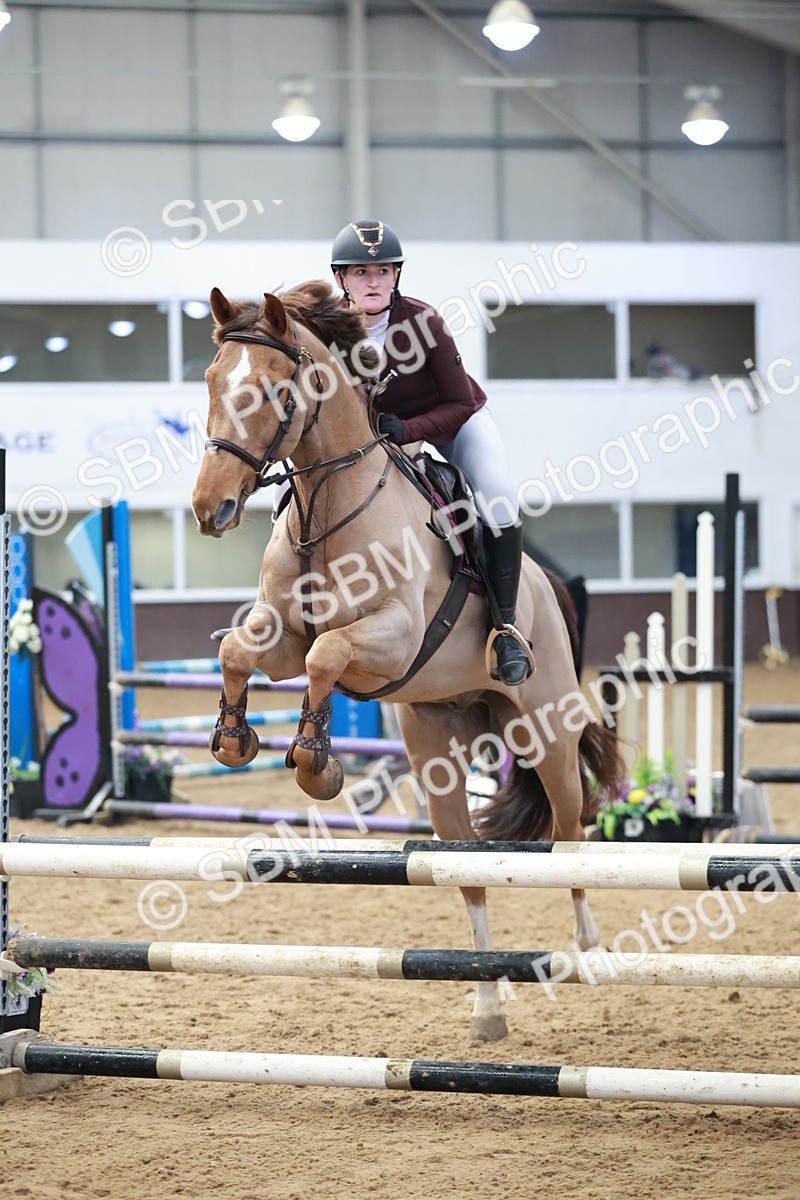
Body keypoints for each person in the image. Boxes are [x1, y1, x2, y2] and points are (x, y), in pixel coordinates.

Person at [330, 218, 532, 687]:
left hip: (453, 423)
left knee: (499, 499)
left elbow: (460, 403)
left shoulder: (424, 322)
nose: (373, 281)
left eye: (383, 271)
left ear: (397, 275)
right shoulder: (328, 330)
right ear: (341, 278)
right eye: (361, 272)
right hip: (382, 439)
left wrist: (410, 429)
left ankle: (505, 629)